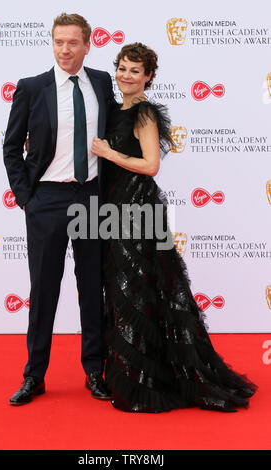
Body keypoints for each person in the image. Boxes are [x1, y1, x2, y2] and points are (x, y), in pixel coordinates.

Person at [91, 42, 257, 412]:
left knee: (142, 289)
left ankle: (149, 380)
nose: (126, 75)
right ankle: (132, 372)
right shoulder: (111, 111)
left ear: (148, 76)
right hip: (112, 208)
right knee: (121, 291)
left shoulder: (146, 114)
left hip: (138, 207)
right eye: (122, 68)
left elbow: (151, 165)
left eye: (135, 70)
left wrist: (110, 153)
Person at [3, 13, 115, 405]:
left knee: (92, 289)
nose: (65, 49)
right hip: (47, 200)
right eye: (58, 42)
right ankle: (34, 375)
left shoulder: (101, 82)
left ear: (88, 44)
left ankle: (94, 372)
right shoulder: (32, 88)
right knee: (44, 289)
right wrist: (26, 199)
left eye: (72, 42)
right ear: (52, 43)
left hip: (91, 198)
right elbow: (11, 147)